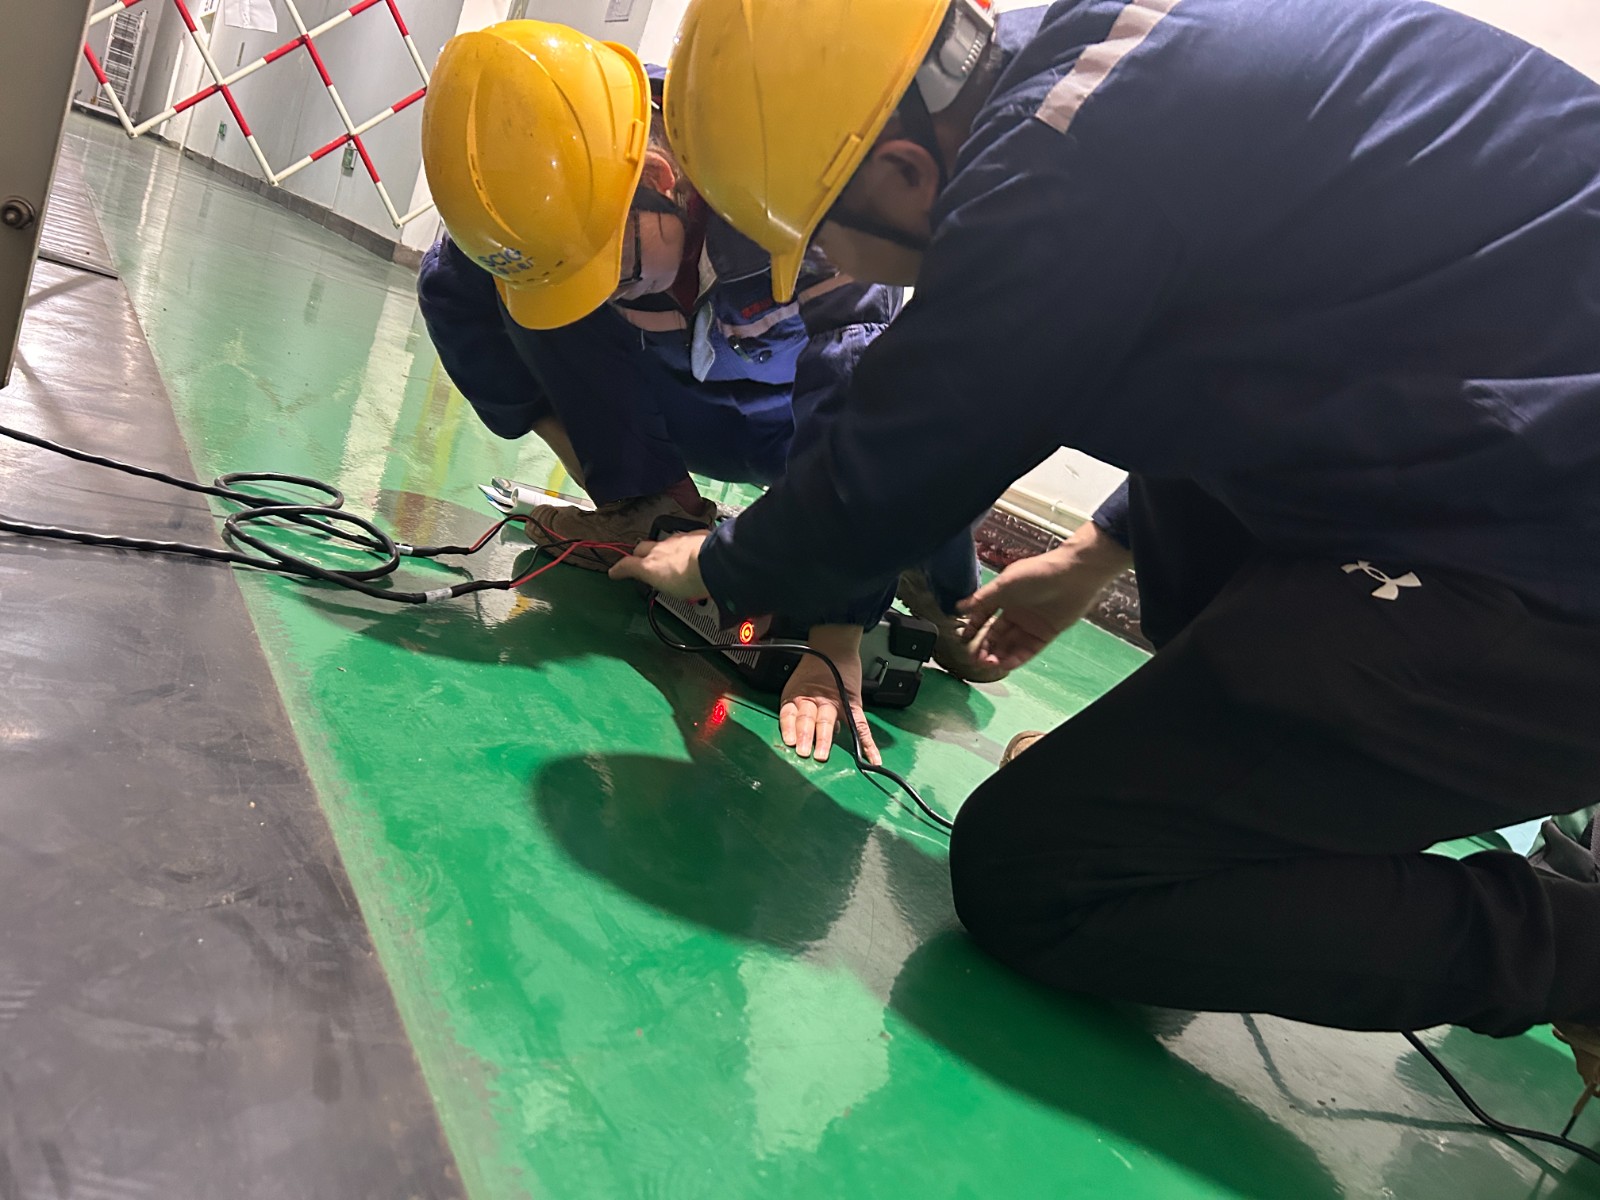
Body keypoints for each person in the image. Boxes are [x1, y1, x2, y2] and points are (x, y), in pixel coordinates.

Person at [614, 0, 1600, 1095]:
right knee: (1178, 467)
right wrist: (1096, 549)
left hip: (1556, 568)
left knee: (1036, 873)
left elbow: (897, 462)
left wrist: (714, 564)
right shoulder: (1100, 72)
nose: (812, 272)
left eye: (817, 240)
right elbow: (1244, 358)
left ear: (899, 171)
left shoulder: (1055, 162)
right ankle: (1194, 802)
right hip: (1512, 474)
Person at [416, 20, 1005, 765]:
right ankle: (647, 500)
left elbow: (862, 399)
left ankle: (935, 583)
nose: (609, 296)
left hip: (802, 419)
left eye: (617, 271)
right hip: (678, 400)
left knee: (917, 467)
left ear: (659, 179)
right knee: (526, 295)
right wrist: (615, 480)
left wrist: (835, 640)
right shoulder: (540, 192)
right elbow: (451, 295)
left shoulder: (787, 180)